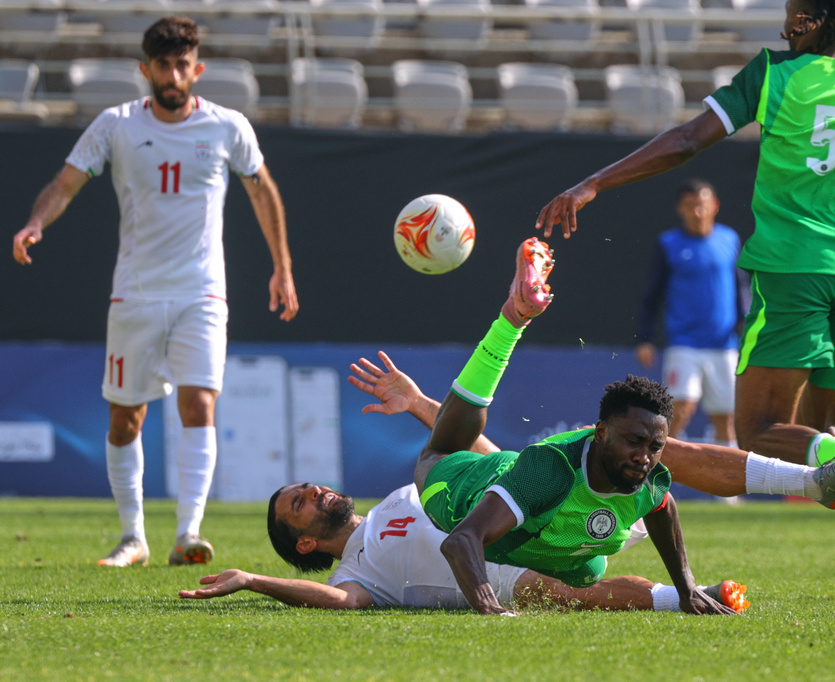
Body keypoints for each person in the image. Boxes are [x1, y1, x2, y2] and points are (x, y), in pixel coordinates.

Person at [534, 0, 835, 598]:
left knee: (760, 428)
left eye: (793, 10)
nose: (785, 19)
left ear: (809, 19)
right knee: (824, 430)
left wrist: (593, 183)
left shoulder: (774, 73)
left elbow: (686, 141)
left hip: (793, 267)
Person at [404, 237, 835, 615]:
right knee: (446, 451)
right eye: (632, 440)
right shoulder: (550, 469)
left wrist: (686, 587)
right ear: (600, 430)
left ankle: (811, 484)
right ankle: (512, 318)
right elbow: (461, 540)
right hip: (449, 484)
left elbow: (662, 507)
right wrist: (491, 610)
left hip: (562, 534)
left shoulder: (644, 475)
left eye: (652, 445)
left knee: (593, 568)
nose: (644, 456)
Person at [11, 16, 299, 568]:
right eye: (163, 65)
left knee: (200, 404)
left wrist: (281, 268)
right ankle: (132, 537)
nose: (173, 74)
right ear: (146, 70)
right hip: (136, 294)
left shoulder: (227, 126)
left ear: (198, 68)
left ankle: (188, 533)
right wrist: (36, 223)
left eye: (182, 64)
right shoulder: (115, 126)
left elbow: (264, 193)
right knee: (127, 419)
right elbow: (64, 183)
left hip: (202, 292)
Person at [179, 480, 750, 614]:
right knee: (568, 593)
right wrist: (253, 580)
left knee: (630, 495)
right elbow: (340, 603)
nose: (314, 491)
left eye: (306, 487)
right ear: (304, 541)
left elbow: (479, 458)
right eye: (299, 504)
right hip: (497, 577)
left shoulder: (401, 494)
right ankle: (694, 598)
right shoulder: (356, 574)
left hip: (534, 521)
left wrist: (418, 400)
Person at [635, 178, 748, 447]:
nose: (697, 212)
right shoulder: (668, 243)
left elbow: (741, 286)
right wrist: (645, 338)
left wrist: (746, 324)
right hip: (684, 344)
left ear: (714, 206)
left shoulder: (729, 238)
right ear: (680, 209)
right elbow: (652, 294)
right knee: (677, 414)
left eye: (702, 205)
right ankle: (657, 485)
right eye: (690, 206)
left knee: (726, 418)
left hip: (724, 346)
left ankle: (725, 490)